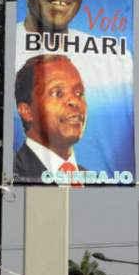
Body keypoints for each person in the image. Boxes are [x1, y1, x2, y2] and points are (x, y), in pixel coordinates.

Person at [14, 54, 86, 182]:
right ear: (27, 111)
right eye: (57, 93)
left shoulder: (96, 180)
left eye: (79, 93)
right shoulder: (14, 174)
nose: (75, 101)